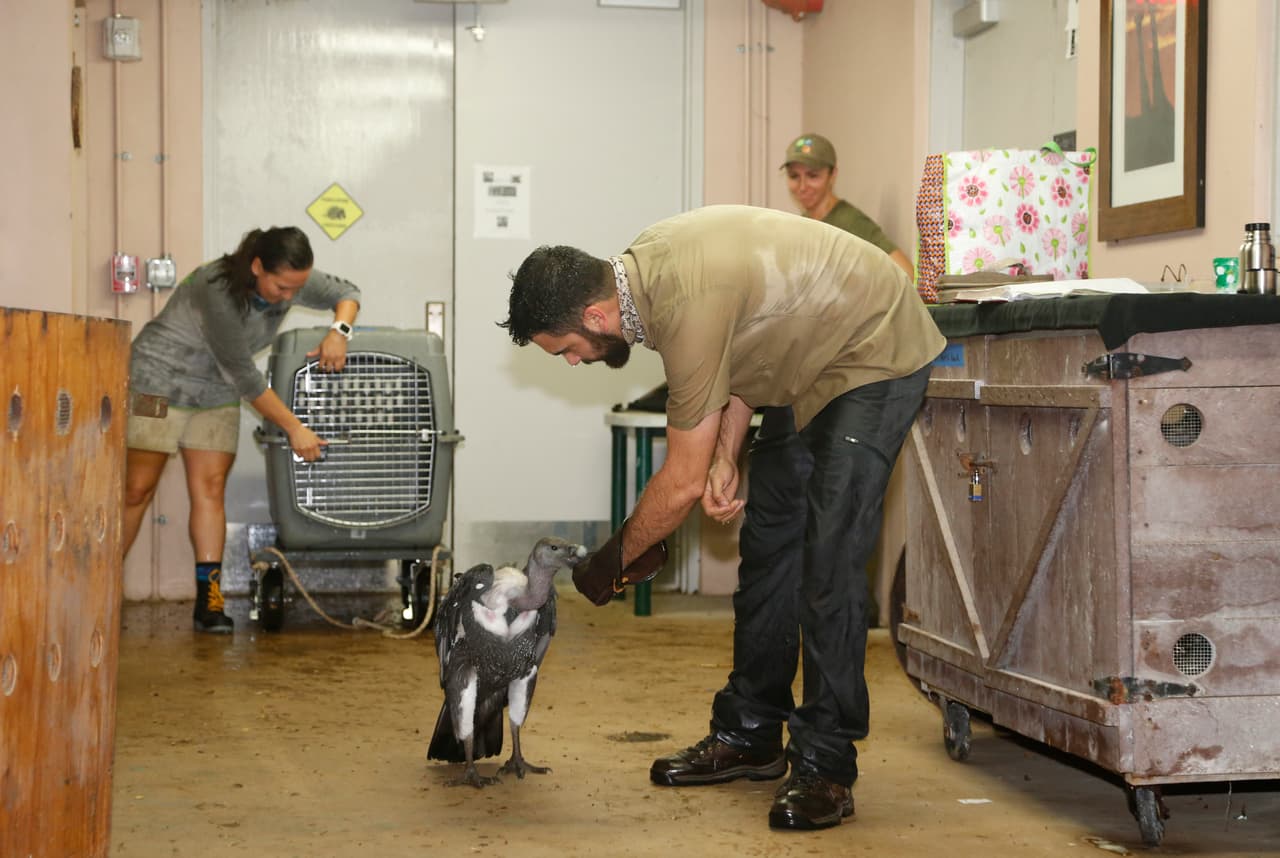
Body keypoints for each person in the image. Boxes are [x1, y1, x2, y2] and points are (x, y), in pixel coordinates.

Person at [500, 204, 945, 831]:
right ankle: (750, 733)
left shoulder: (681, 300)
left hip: (873, 344)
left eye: (568, 349)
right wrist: (728, 452)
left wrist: (610, 565)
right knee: (768, 550)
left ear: (594, 317)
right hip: (805, 361)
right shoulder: (642, 276)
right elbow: (740, 349)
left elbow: (679, 483)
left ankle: (825, 765)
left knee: (829, 563)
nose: (574, 362)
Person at [122, 226, 361, 634]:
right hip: (157, 380)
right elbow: (246, 378)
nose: (290, 297)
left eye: (297, 288)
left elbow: (348, 293)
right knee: (136, 489)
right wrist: (295, 429)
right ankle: (101, 588)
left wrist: (338, 332)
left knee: (211, 488)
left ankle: (209, 601)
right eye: (282, 287)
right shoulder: (215, 287)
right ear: (256, 267)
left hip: (215, 388)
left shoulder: (292, 278)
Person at [782, 132, 916, 281]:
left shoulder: (851, 222)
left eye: (813, 176)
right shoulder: (803, 222)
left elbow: (907, 274)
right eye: (794, 176)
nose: (802, 187)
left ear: (832, 175)